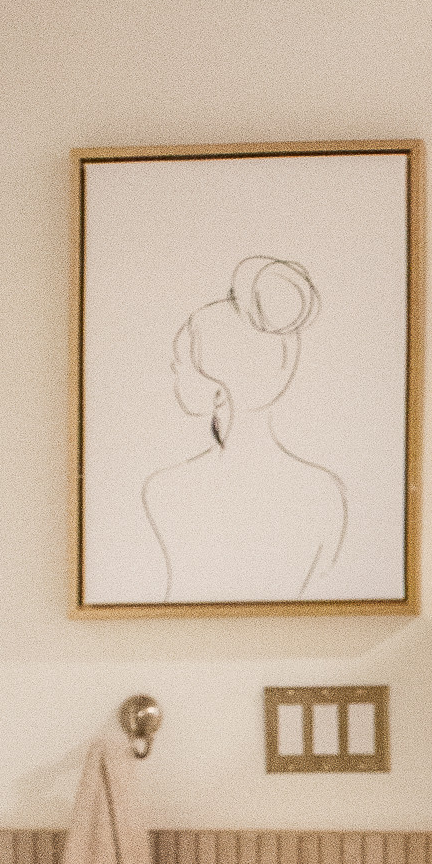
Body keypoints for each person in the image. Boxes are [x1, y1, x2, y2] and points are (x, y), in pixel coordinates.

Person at [142, 255, 347, 603]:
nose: (173, 370)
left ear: (219, 391)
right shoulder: (325, 492)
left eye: (180, 365)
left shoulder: (165, 490)